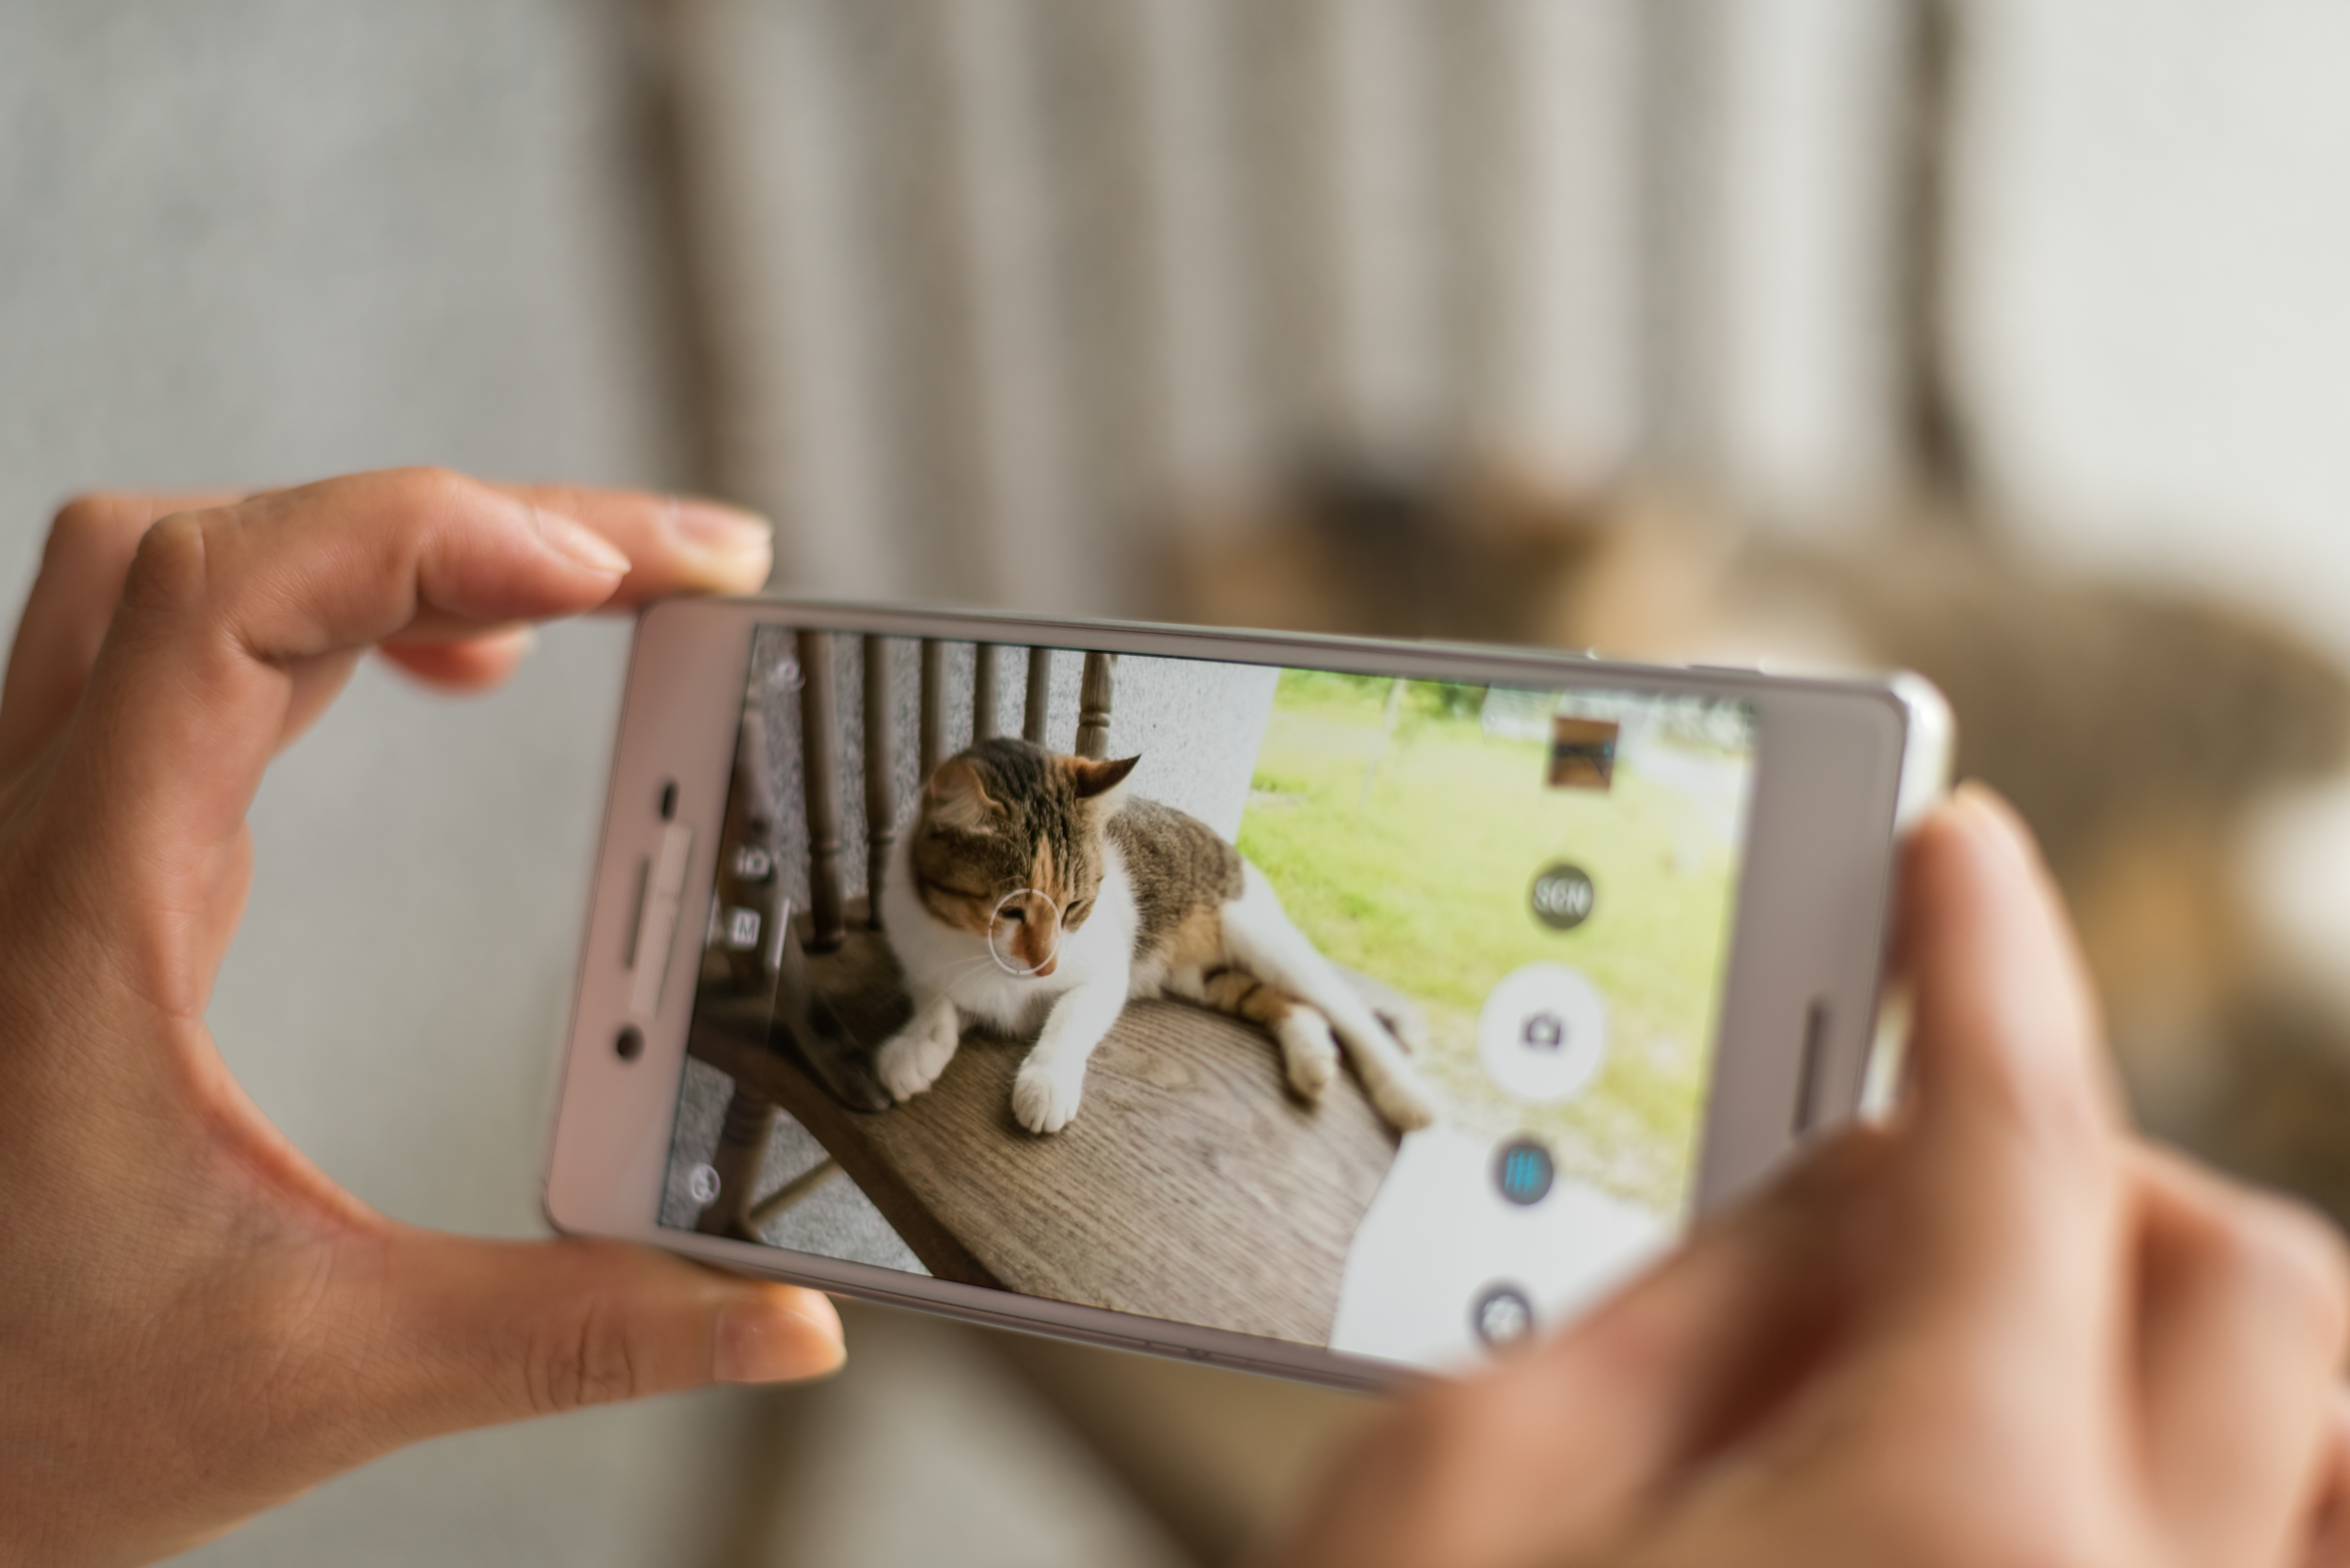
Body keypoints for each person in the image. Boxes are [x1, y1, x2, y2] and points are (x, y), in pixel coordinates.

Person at [0, 469, 2342, 1568]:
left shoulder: (1104, 887)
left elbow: (1100, 954)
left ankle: (1352, 1041)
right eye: (1003, 907)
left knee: (1288, 977)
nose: (1031, 941)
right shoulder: (969, 893)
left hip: (1202, 914)